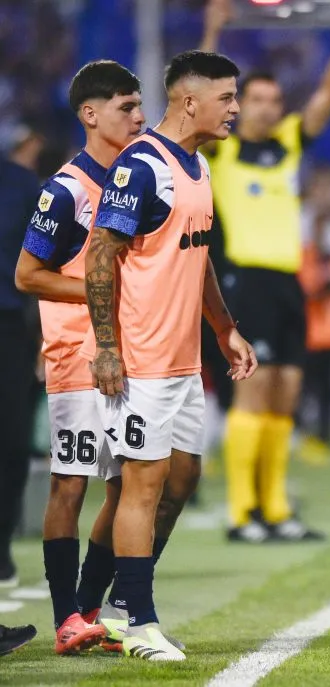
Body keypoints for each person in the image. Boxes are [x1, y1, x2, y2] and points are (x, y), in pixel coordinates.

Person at [83, 50, 257, 661]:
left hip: (185, 360)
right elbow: (102, 252)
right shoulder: (143, 166)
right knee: (142, 487)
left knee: (182, 479)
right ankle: (137, 621)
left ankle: (102, 608)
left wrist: (225, 328)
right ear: (190, 101)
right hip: (143, 361)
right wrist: (107, 348)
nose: (235, 108)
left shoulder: (198, 166)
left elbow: (198, 254)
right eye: (228, 97)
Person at [200, 0, 330, 543]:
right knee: (254, 391)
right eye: (257, 100)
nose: (267, 109)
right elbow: (200, 87)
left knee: (287, 392)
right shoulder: (219, 153)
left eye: (274, 101)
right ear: (239, 106)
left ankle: (274, 508)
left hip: (290, 283)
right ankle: (242, 512)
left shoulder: (289, 144)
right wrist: (215, 29)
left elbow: (328, 95)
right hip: (246, 281)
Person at [14, 60, 145, 655]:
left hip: (127, 350)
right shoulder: (64, 190)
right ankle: (66, 615)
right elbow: (26, 275)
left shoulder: (135, 180)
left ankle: (91, 608)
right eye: (127, 107)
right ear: (90, 114)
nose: (140, 117)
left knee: (126, 486)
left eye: (140, 106)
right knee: (71, 484)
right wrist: (102, 291)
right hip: (76, 353)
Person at [0, 153, 42, 589]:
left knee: (11, 444)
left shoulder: (22, 183)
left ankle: (1, 546)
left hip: (9, 328)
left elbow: (43, 263)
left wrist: (45, 335)